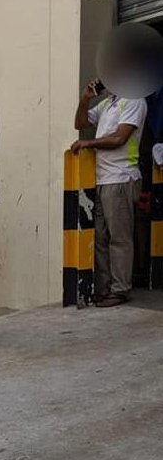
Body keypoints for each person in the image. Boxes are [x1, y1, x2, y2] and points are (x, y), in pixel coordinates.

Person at [73, 78, 148, 307]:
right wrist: (85, 98)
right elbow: (81, 123)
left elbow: (119, 138)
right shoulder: (108, 103)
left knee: (119, 237)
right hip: (103, 178)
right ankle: (104, 287)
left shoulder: (135, 100)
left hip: (121, 176)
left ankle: (120, 289)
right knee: (100, 236)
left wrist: (89, 144)